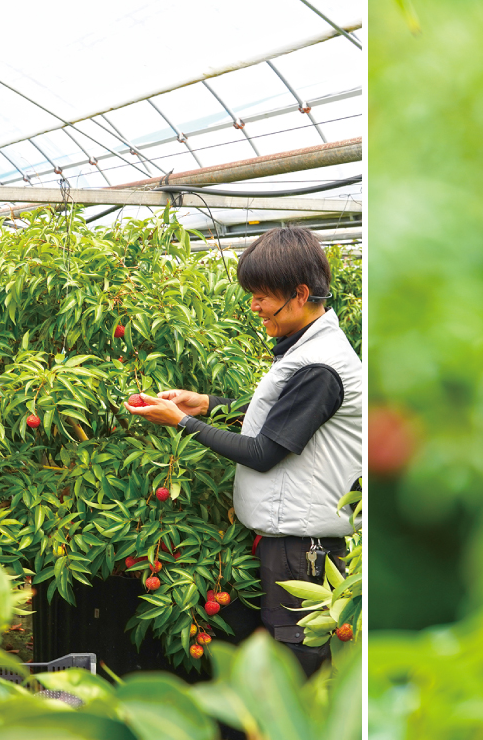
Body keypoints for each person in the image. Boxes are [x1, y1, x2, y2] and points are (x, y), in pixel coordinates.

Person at [127, 226, 362, 677]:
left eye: (261, 296)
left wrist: (183, 423)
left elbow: (263, 451)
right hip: (286, 542)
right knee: (272, 663)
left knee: (297, 669)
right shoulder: (307, 351)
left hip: (301, 549)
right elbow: (282, 413)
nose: (254, 306)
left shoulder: (320, 366)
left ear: (300, 293)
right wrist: (207, 405)